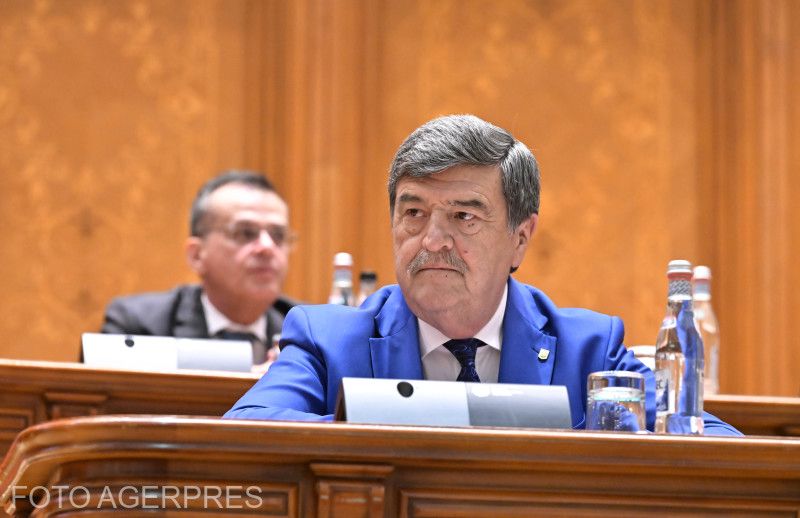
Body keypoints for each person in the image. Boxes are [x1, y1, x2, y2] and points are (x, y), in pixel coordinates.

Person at [224, 115, 740, 435]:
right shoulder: (327, 339)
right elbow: (246, 429)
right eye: (413, 213)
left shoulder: (588, 348)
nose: (432, 240)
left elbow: (711, 441)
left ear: (520, 236)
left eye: (464, 217)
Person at [99, 170, 295, 372]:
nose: (267, 247)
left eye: (278, 235)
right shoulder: (138, 327)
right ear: (197, 255)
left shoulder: (307, 333)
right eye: (245, 233)